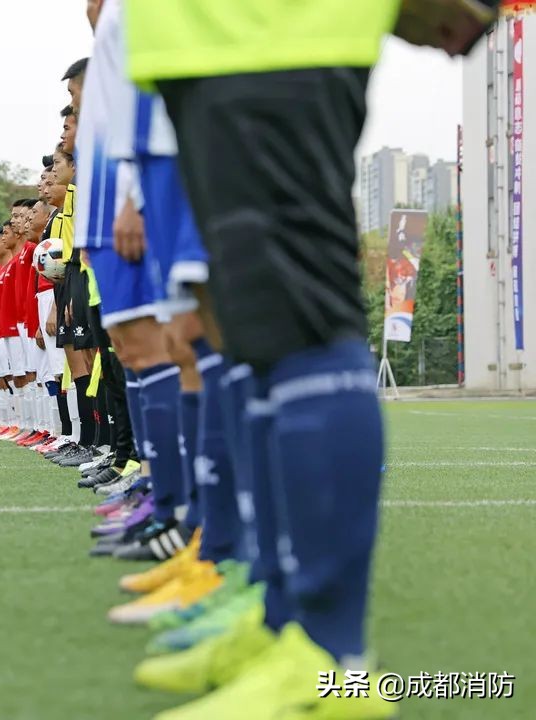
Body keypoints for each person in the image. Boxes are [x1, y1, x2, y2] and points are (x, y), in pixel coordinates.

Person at [120, 1, 498, 718]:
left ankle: (330, 663)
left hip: (268, 32)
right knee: (257, 332)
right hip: (214, 39)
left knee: (302, 324)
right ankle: (285, 631)